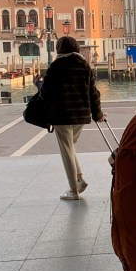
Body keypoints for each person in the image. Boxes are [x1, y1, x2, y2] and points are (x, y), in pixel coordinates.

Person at [42, 36, 104, 201]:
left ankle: (73, 190)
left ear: (59, 49)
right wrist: (98, 114)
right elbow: (93, 92)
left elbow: (45, 92)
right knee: (70, 146)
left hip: (62, 115)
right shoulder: (84, 65)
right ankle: (79, 179)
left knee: (66, 150)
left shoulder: (56, 66)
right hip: (81, 116)